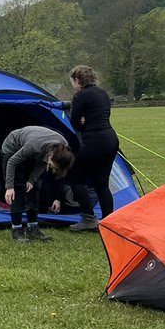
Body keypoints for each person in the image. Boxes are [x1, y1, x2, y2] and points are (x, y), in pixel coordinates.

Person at [66, 65, 121, 232]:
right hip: (111, 139)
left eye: (72, 81)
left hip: (95, 141)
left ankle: (89, 219)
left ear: (77, 80)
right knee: (101, 183)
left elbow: (75, 122)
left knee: (75, 178)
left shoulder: (80, 96)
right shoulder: (103, 94)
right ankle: (108, 223)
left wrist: (84, 126)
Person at [1, 125, 75, 243]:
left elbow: (42, 162)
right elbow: (12, 162)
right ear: (52, 156)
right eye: (52, 166)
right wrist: (9, 187)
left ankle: (33, 229)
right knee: (18, 188)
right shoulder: (34, 146)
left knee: (34, 187)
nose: (51, 168)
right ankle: (16, 230)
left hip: (35, 150)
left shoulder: (63, 146)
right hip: (12, 149)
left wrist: (31, 179)